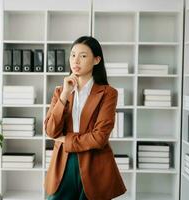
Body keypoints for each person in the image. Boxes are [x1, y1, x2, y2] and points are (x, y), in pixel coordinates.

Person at [44, 36, 126, 200]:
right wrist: (66, 94)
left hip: (95, 165)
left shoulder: (108, 93)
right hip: (63, 163)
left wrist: (65, 140)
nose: (76, 60)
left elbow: (99, 138)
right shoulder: (60, 92)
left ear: (96, 60)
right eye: (73, 55)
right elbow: (51, 131)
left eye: (83, 56)